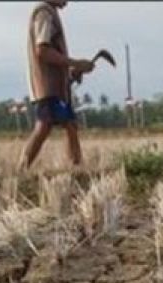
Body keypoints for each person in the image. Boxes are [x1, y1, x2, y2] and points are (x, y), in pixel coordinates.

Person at [21, 0, 96, 170]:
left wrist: (72, 71)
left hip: (55, 86)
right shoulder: (44, 14)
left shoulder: (49, 13)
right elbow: (43, 51)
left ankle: (77, 167)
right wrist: (74, 63)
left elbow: (50, 53)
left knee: (69, 124)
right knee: (44, 126)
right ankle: (21, 169)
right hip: (47, 87)